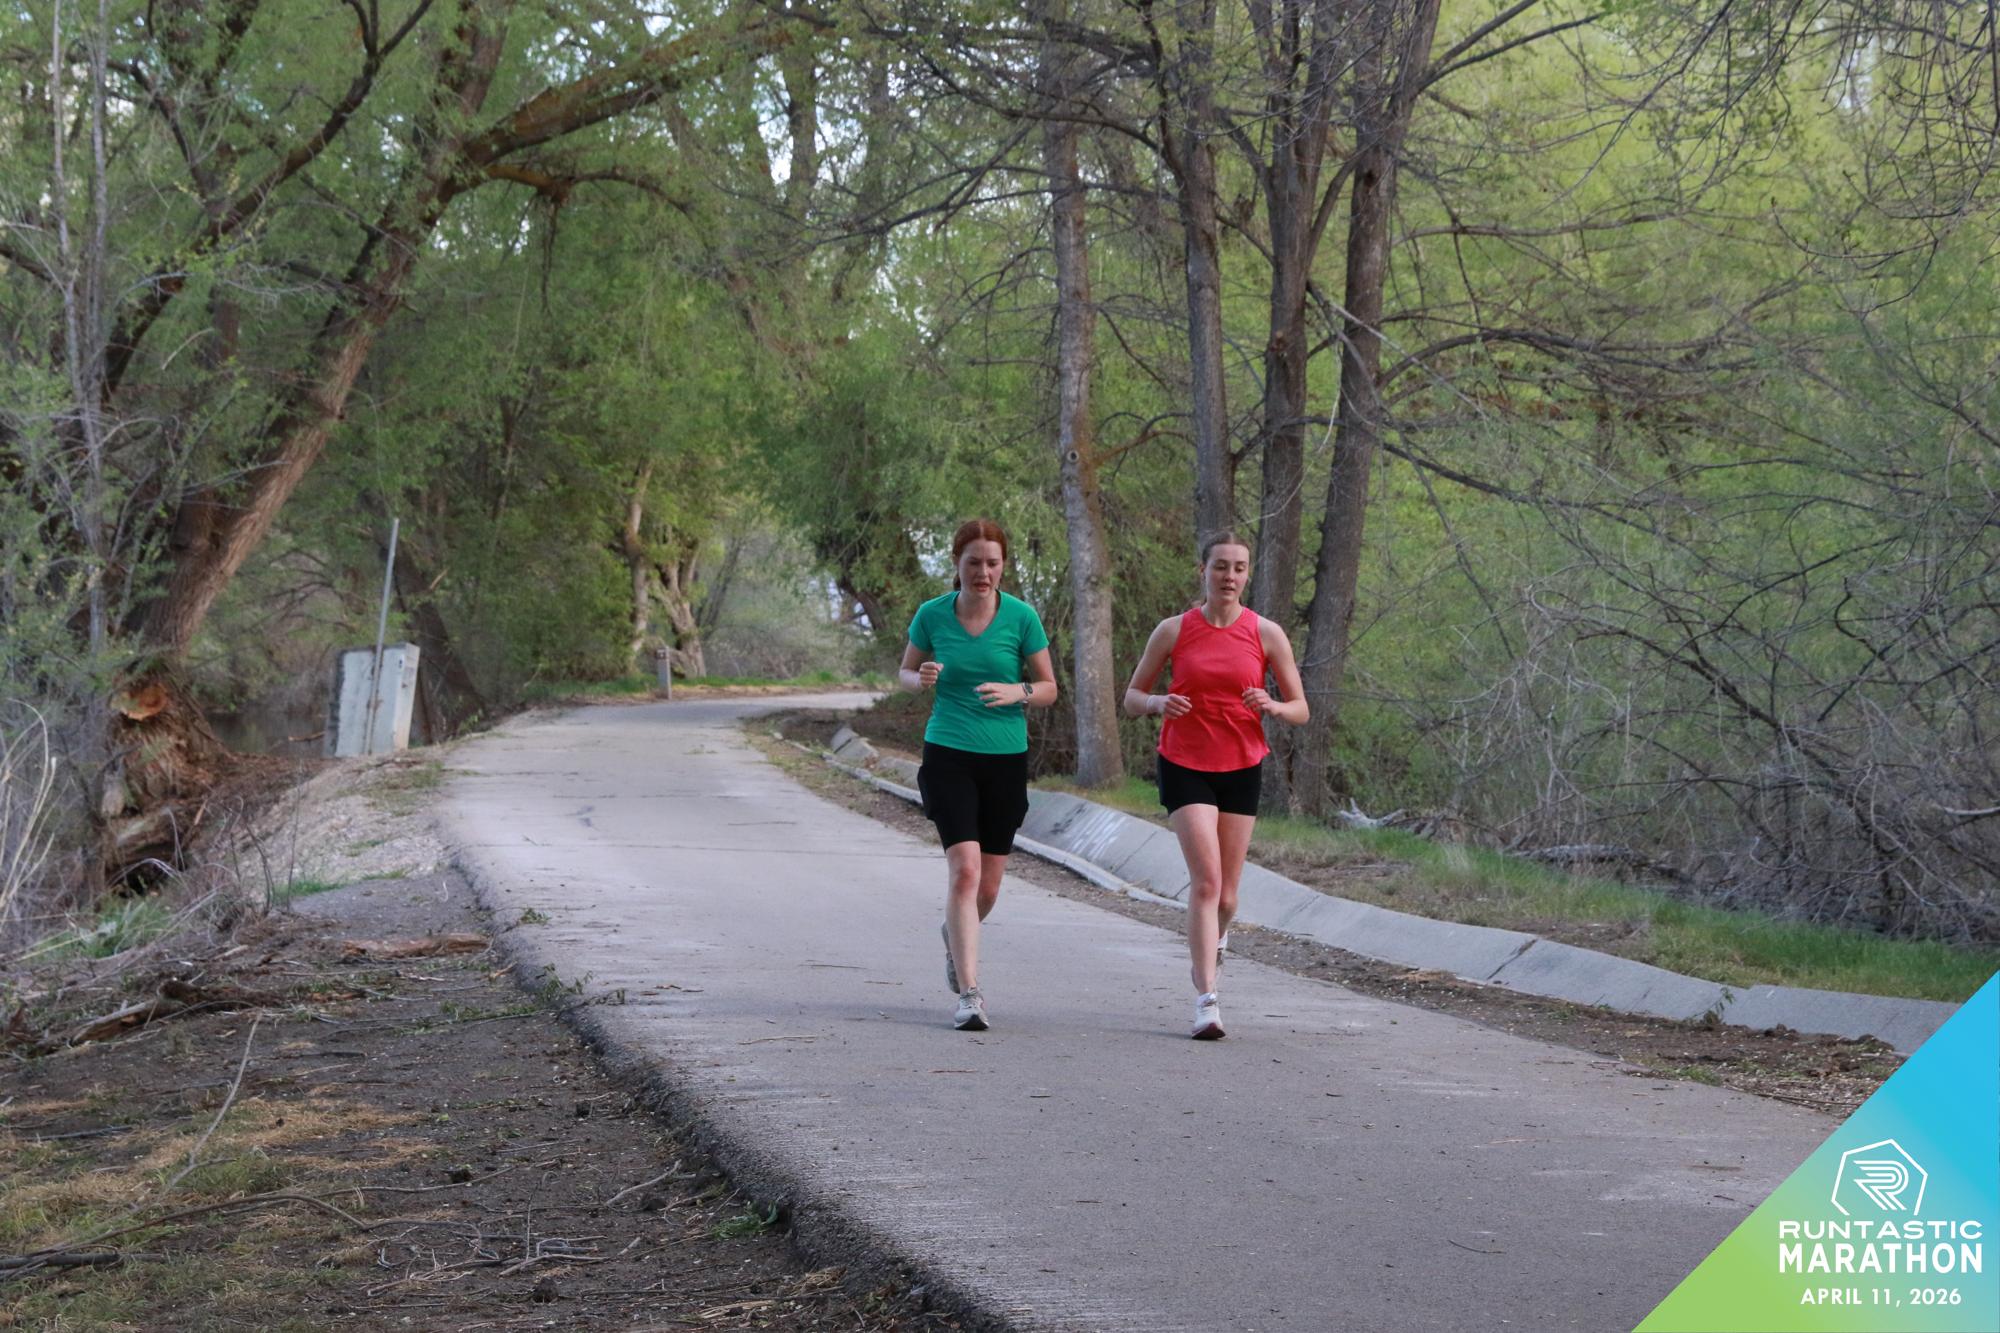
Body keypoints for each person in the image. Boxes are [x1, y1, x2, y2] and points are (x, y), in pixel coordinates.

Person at [1122, 532, 1308, 1039]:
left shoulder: (1266, 633)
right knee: (1206, 882)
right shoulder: (1174, 630)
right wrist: (1158, 703)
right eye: (1220, 566)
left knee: (1227, 897)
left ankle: (1214, 942)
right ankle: (1207, 1000)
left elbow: (1301, 709)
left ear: (1248, 575)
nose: (1229, 576)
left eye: (1239, 567)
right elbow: (1132, 696)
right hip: (1184, 762)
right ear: (1202, 571)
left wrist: (1273, 706)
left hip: (1242, 764)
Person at [900, 519, 1058, 1030]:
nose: (983, 572)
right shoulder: (932, 614)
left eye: (992, 563)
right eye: (973, 563)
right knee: (964, 871)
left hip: (1005, 759)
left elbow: (1049, 686)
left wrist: (1019, 692)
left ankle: (955, 932)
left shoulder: (1021, 617)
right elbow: (905, 671)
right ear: (957, 564)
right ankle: (970, 993)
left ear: (1003, 566)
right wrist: (920, 678)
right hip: (948, 752)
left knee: (987, 888)